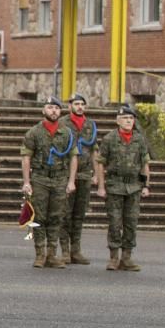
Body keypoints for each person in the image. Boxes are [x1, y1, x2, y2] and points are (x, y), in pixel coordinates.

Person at [20, 96, 78, 269]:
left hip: (60, 179)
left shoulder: (67, 132)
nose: (54, 111)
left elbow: (73, 157)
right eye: (50, 107)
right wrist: (26, 182)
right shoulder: (34, 132)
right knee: (38, 216)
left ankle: (52, 254)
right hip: (40, 178)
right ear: (43, 110)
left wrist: (71, 181)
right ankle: (40, 254)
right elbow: (26, 158)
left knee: (56, 217)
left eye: (57, 108)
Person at [96, 105, 150, 272]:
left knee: (131, 222)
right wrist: (101, 186)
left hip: (134, 186)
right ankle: (114, 257)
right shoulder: (109, 139)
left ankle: (126, 257)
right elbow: (100, 163)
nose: (129, 121)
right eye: (125, 118)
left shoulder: (139, 139)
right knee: (114, 222)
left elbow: (145, 164)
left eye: (131, 118)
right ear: (118, 121)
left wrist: (146, 185)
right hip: (115, 186)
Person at [57, 93, 97, 265]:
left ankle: (76, 250)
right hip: (66, 175)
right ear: (70, 106)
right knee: (65, 213)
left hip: (85, 174)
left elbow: (94, 149)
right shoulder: (62, 124)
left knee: (79, 214)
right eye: (76, 104)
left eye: (82, 104)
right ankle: (65, 251)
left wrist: (95, 173)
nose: (80, 107)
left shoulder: (90, 125)